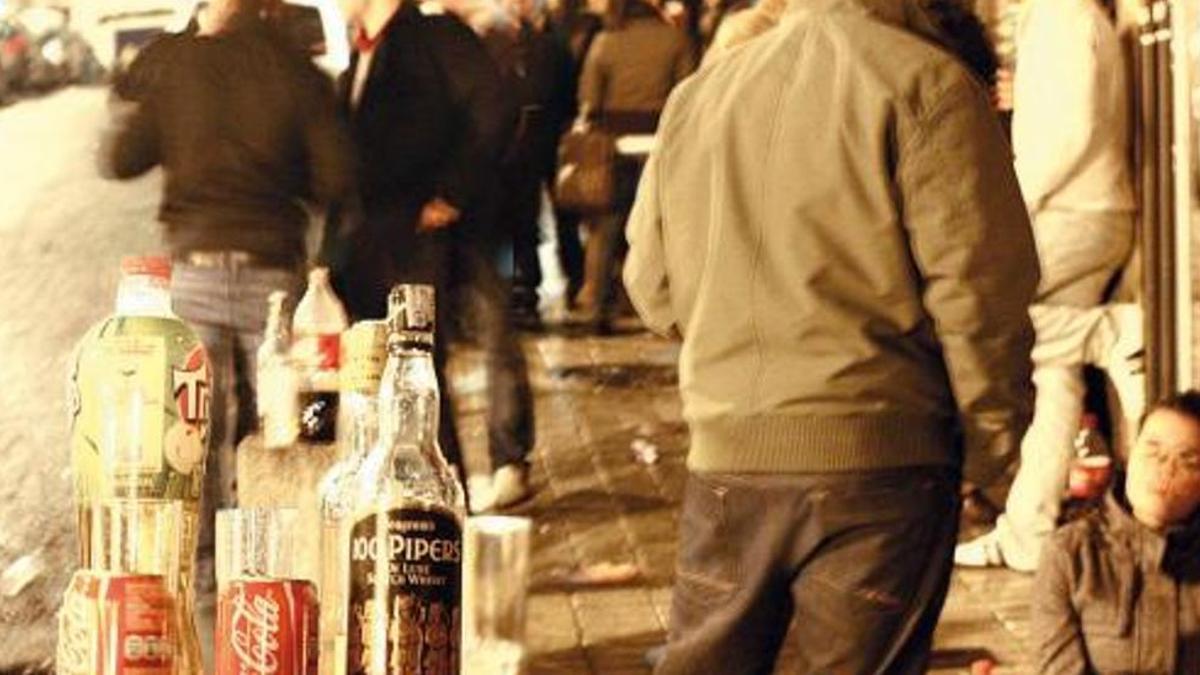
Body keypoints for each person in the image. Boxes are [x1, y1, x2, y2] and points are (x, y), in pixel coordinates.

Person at [623, 0, 1039, 670]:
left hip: (728, 457)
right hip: (881, 456)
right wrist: (991, 449)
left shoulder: (700, 96)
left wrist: (731, 332)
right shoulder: (928, 84)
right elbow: (982, 296)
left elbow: (651, 285)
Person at [97, 0, 352, 663]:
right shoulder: (297, 73)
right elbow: (339, 178)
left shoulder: (176, 68)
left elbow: (120, 157)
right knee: (287, 428)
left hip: (193, 277)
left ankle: (210, 582)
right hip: (275, 279)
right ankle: (279, 568)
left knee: (192, 436)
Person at [954, 0, 1143, 572]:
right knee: (1052, 375)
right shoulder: (1062, 18)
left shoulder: (1067, 18)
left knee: (987, 320)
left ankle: (1110, 332)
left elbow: (1078, 128)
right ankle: (1027, 530)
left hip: (1072, 213)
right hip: (1082, 209)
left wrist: (1016, 198)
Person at [326, 0, 515, 493]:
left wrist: (452, 192)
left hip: (416, 237)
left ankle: (443, 498)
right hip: (374, 240)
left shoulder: (432, 36)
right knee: (386, 374)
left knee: (418, 370)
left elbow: (493, 106)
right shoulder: (364, 51)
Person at [1033, 391, 1200, 673]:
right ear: (1129, 454)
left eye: (1188, 461)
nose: (1165, 468)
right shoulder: (1071, 553)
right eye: (1153, 451)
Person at [574, 0, 694, 330]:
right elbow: (687, 92)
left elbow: (589, 98)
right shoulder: (676, 40)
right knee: (661, 224)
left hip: (613, 143)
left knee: (607, 227)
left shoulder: (605, 41)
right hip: (661, 141)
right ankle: (659, 307)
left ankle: (598, 306)